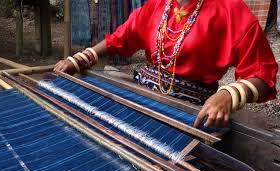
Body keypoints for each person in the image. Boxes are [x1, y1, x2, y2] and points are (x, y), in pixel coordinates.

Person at [54, 0, 278, 129]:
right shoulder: (156, 6)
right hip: (143, 96)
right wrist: (80, 58)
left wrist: (228, 95)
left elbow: (263, 73)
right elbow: (120, 38)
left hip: (190, 111)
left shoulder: (231, 10)